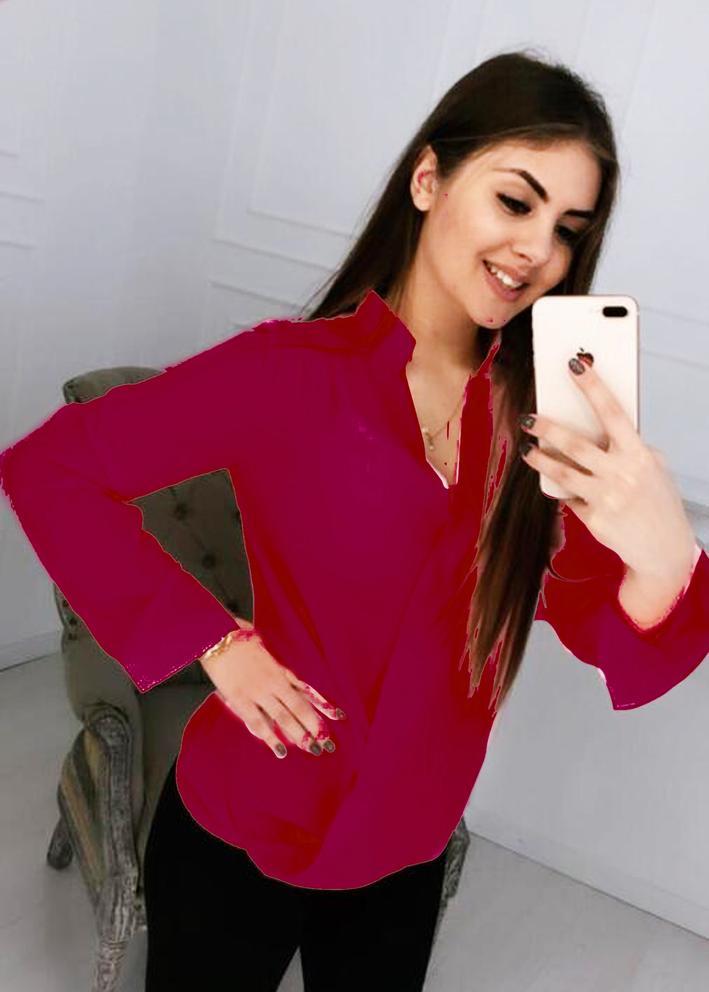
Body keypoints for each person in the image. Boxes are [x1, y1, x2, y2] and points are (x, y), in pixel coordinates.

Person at [0, 49, 706, 992]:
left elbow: (604, 634)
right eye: (515, 201)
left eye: (567, 230)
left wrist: (661, 556)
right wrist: (214, 642)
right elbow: (49, 468)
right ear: (428, 180)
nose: (537, 249)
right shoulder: (286, 373)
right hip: (241, 823)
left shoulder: (543, 426)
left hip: (404, 850)